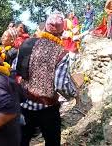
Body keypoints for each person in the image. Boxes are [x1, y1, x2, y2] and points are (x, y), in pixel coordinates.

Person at [16, 13, 74, 146]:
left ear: (45, 28)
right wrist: (74, 94)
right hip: (47, 108)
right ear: (61, 32)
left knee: (21, 142)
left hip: (24, 105)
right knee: (52, 142)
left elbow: (16, 69)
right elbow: (60, 85)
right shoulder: (62, 52)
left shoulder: (26, 44)